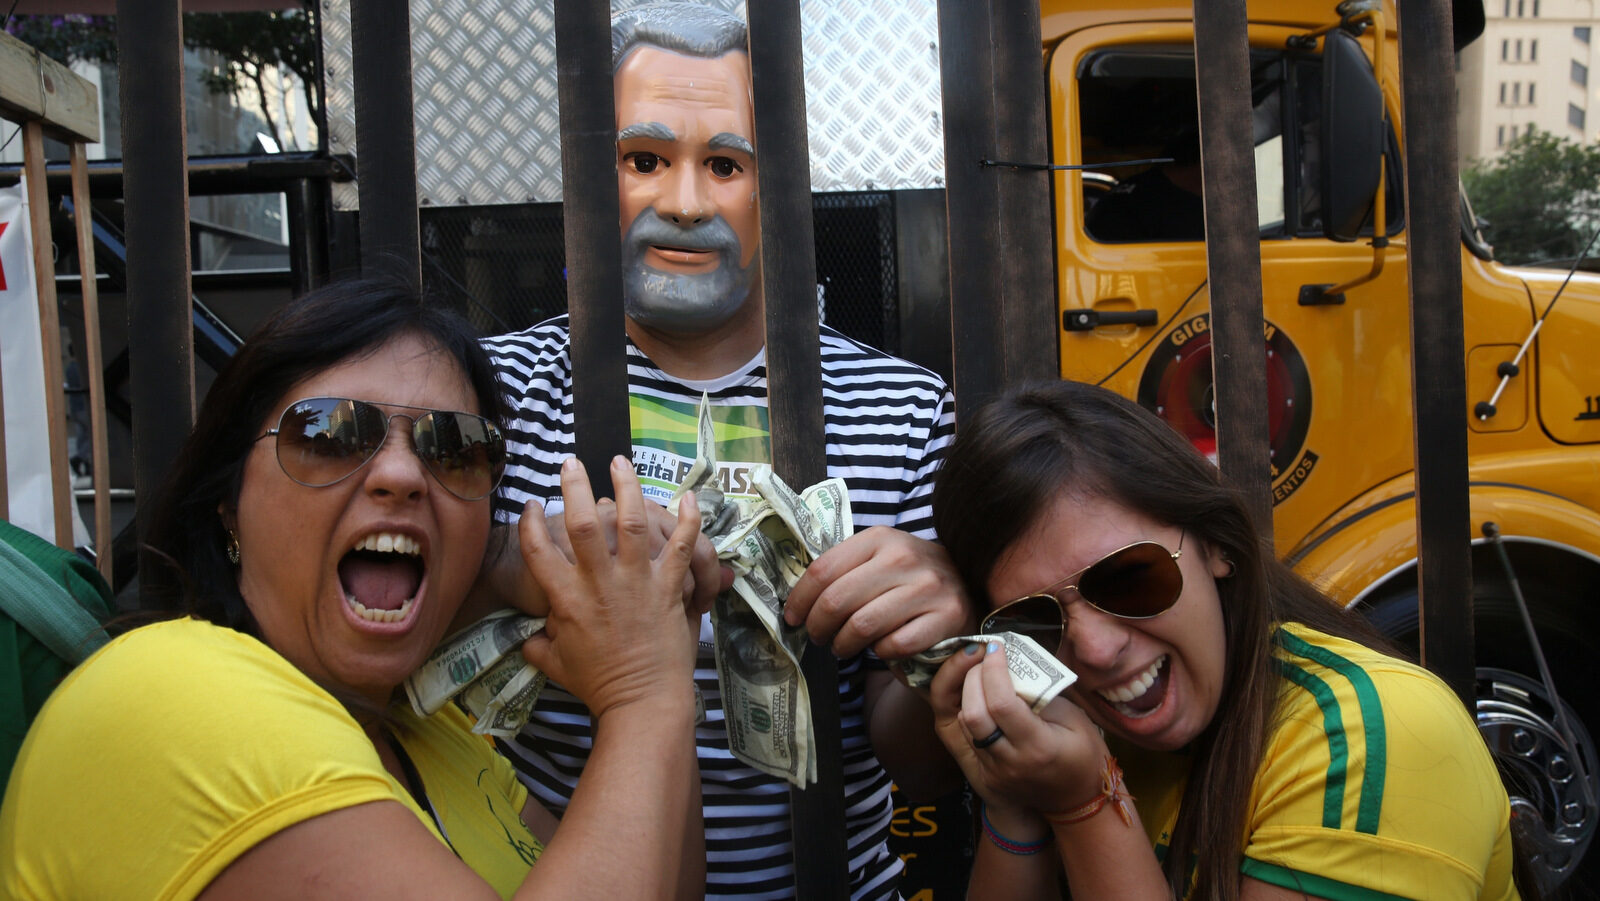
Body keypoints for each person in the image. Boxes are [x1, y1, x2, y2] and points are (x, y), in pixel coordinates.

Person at [0, 280, 707, 900]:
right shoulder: (177, 693)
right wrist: (642, 694)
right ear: (228, 503)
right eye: (330, 434)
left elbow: (657, 881)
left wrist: (662, 619)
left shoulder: (425, 729)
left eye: (453, 447)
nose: (401, 474)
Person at [480, 3, 969, 896]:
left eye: (725, 165)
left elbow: (927, 768)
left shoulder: (904, 409)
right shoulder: (498, 392)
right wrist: (503, 565)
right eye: (644, 160)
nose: (683, 202)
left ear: (780, 184)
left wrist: (933, 646)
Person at [926, 380, 1522, 901]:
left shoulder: (1372, 736)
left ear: (1218, 547)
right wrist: (1015, 806)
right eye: (1036, 621)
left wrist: (1084, 806)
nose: (1099, 651)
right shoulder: (1064, 740)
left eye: (1130, 577)